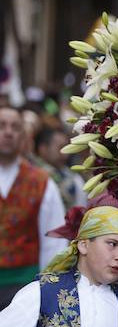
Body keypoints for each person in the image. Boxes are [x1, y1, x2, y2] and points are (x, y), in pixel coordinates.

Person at [0, 107, 67, 309]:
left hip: (24, 285)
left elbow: (54, 240)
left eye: (15, 127)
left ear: (24, 136)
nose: (8, 132)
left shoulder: (41, 181)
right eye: (2, 126)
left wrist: (45, 288)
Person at [33, 126, 88, 211]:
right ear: (43, 149)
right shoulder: (31, 176)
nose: (65, 152)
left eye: (67, 147)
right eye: (60, 147)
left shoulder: (75, 179)